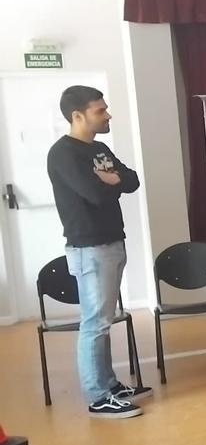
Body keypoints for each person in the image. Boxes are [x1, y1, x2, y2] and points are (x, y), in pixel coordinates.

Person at [47, 85, 147, 418]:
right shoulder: (64, 153)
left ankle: (110, 384)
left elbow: (132, 181)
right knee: (96, 322)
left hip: (112, 242)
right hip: (89, 247)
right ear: (78, 116)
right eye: (100, 110)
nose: (108, 115)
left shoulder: (100, 148)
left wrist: (111, 178)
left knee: (103, 320)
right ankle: (97, 395)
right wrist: (107, 183)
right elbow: (94, 194)